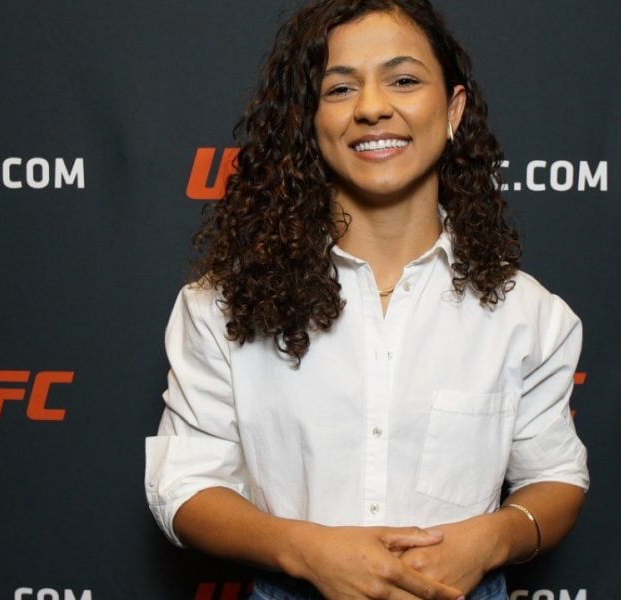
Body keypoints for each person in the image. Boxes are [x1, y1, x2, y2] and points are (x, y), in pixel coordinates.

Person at [145, 1, 589, 598]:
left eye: (403, 80)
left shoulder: (528, 314)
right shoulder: (221, 306)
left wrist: (491, 540)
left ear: (453, 110)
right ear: (309, 119)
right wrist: (307, 551)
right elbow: (184, 486)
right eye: (339, 88)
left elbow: (556, 478)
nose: (373, 107)